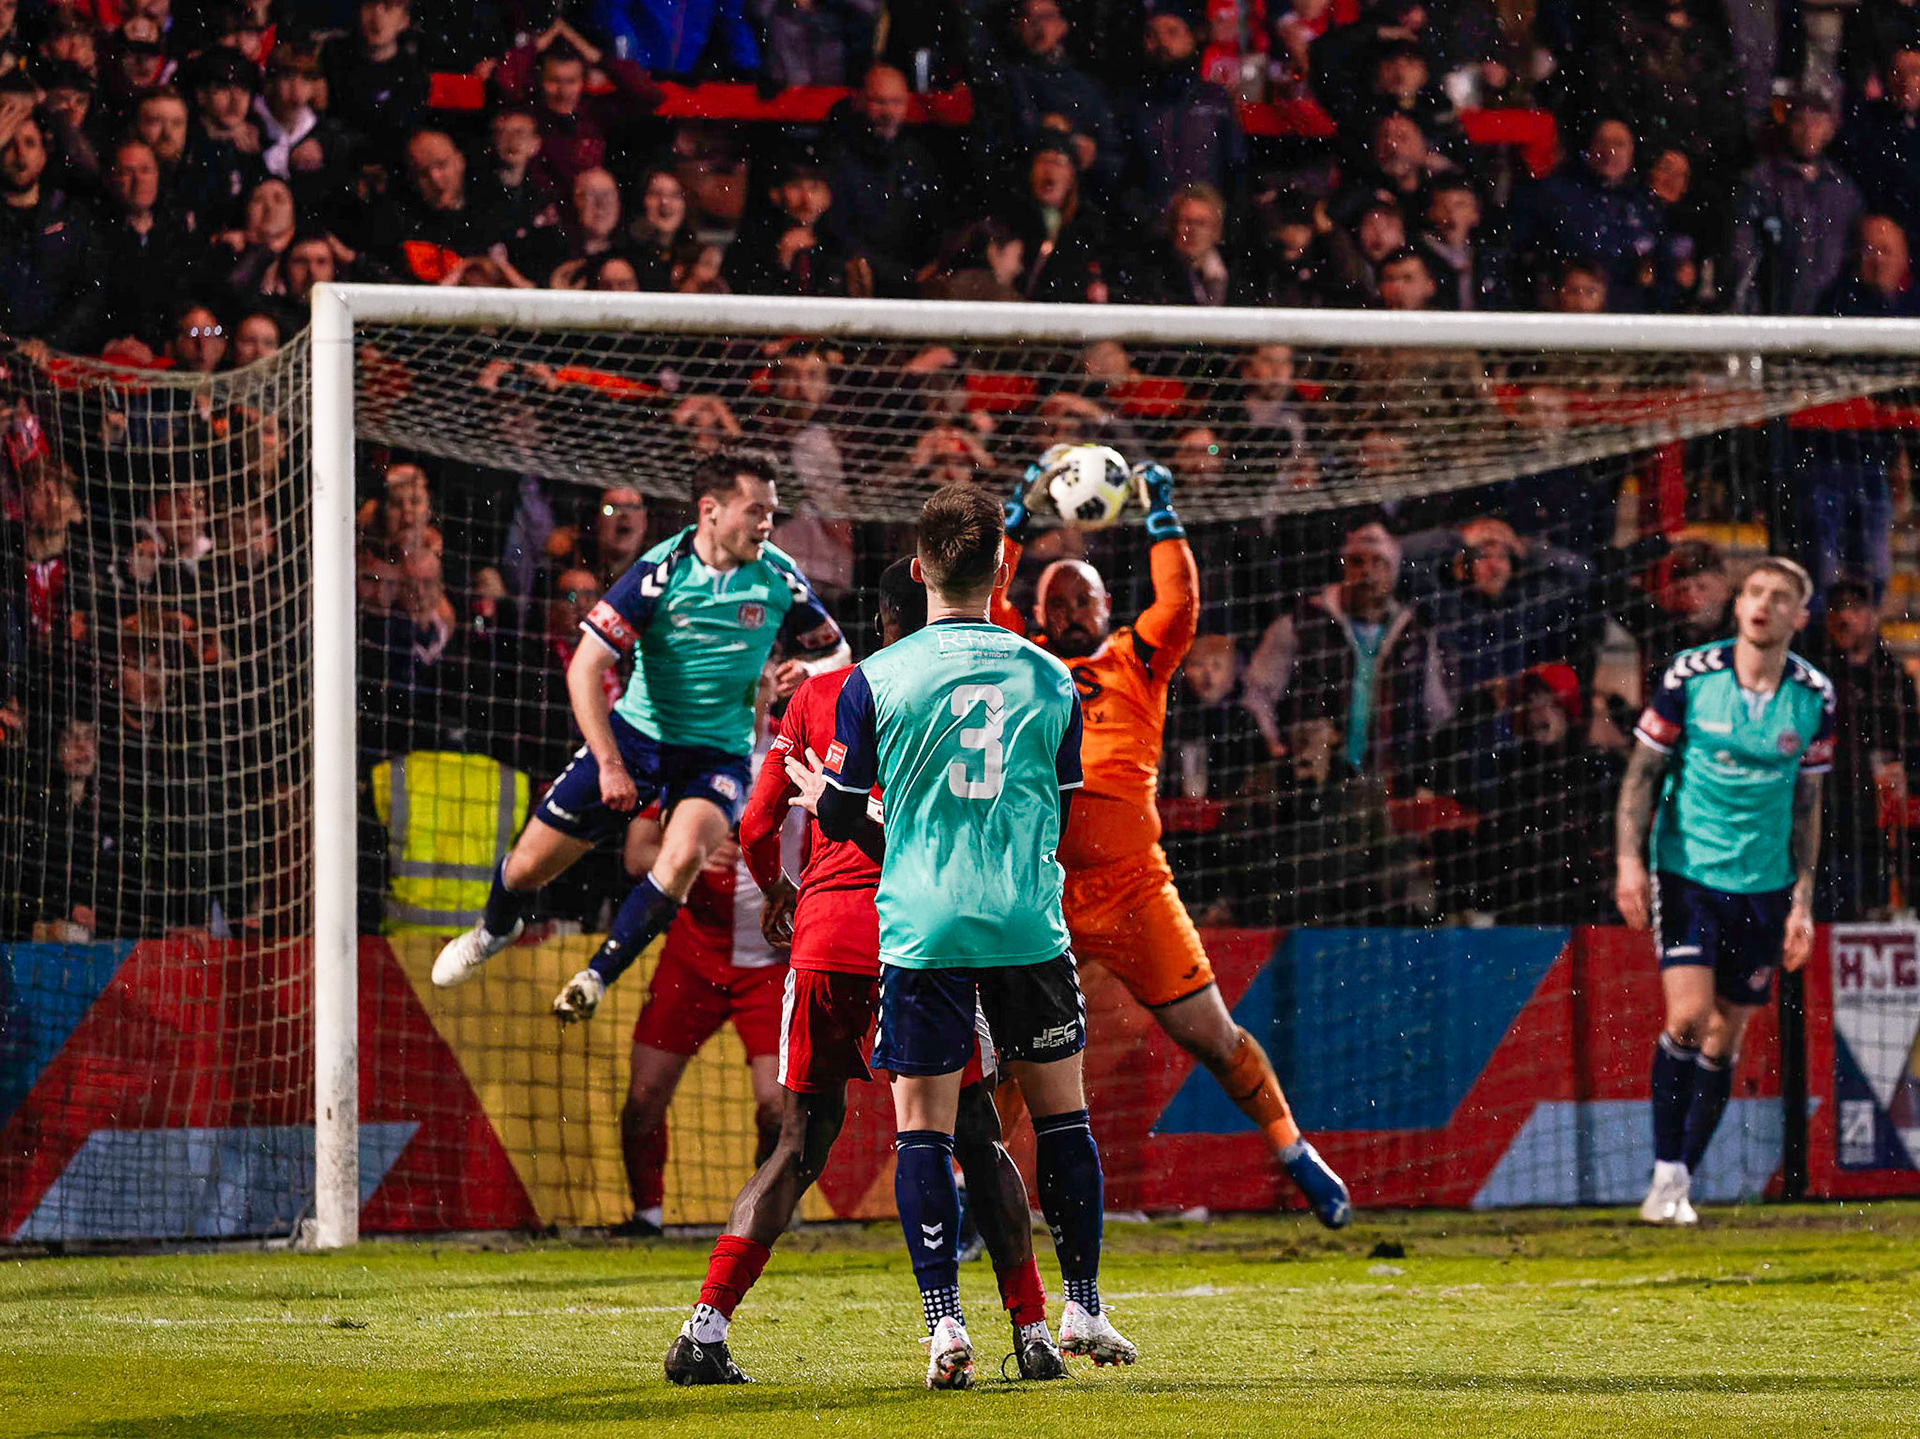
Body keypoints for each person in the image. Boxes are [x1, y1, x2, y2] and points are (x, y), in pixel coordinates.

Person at [663, 560, 1064, 1386]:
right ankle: (1028, 1329)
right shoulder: (943, 695)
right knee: (974, 1136)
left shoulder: (816, 697)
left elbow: (758, 816)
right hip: (911, 939)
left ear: (877, 619)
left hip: (819, 943)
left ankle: (704, 1328)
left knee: (798, 1146)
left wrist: (778, 886)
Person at [785, 483, 1128, 1388]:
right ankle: (1083, 1299)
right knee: (1064, 1118)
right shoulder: (1052, 676)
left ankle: (945, 1325)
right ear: (1004, 568)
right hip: (1024, 918)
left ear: (916, 570)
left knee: (923, 1133)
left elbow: (855, 820)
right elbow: (1056, 811)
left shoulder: (875, 681)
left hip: (925, 925)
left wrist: (828, 802)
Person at [993, 458, 1351, 1225]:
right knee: (1017, 1059)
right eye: (1053, 597)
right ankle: (969, 1201)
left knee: (1212, 1034)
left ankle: (1293, 1148)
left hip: (1132, 884)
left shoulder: (1135, 658)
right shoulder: (1018, 655)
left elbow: (1180, 602)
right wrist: (1013, 527)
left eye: (1080, 593)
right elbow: (984, 601)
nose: (1067, 606)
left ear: (1105, 602)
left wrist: (1165, 522)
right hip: (1039, 888)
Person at [429, 452, 850, 1019]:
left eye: (772, 513)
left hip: (717, 754)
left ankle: (594, 979)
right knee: (527, 868)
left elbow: (837, 651)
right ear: (710, 511)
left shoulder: (778, 576)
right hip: (636, 739)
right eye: (756, 512)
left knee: (681, 858)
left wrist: (812, 671)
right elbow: (583, 667)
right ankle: (494, 930)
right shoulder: (662, 571)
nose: (768, 525)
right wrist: (608, 763)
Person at [1615, 558, 1833, 1226]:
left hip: (1765, 885)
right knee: (1686, 1017)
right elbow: (1641, 775)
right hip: (1687, 871)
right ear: (1738, 606)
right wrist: (1629, 861)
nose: (1763, 605)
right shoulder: (1691, 675)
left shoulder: (1814, 695)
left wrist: (1802, 900)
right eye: (1755, 593)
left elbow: (1808, 804)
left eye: (1780, 597)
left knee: (1725, 1035)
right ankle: (1662, 1172)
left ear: (1799, 615)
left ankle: (1678, 1180)